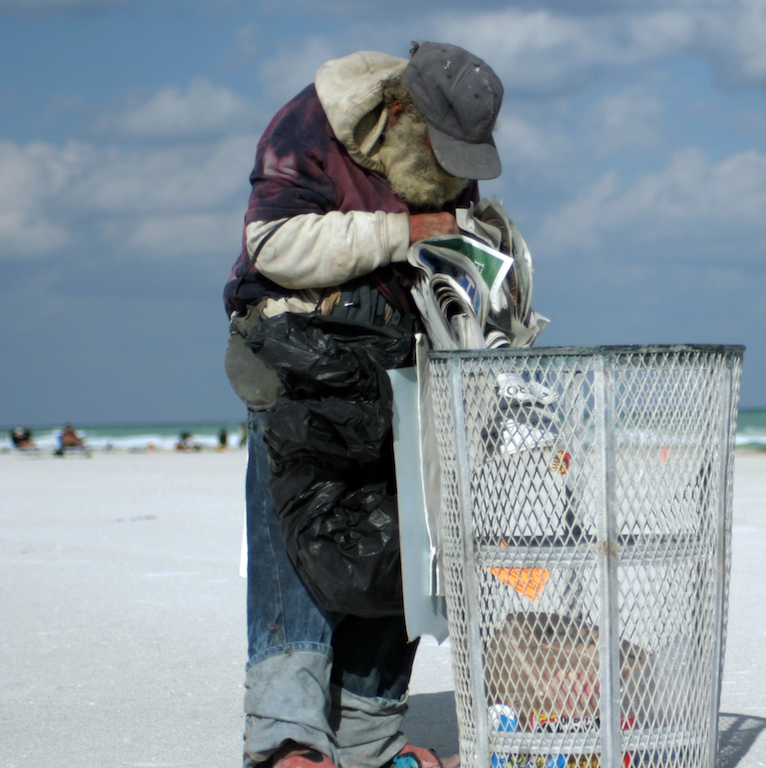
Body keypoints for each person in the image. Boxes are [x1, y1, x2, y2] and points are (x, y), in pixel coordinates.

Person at [223, 41, 504, 768]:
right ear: (402, 107)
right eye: (443, 149)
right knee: (294, 531)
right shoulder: (313, 120)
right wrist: (404, 233)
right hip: (300, 348)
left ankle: (367, 735)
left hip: (404, 358)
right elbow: (272, 243)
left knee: (410, 542)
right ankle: (288, 735)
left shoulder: (445, 164)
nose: (451, 173)